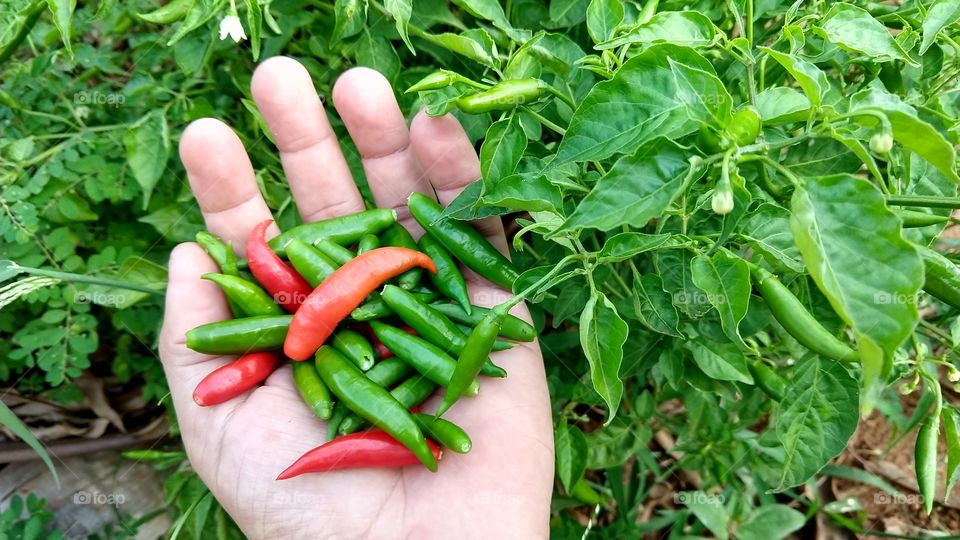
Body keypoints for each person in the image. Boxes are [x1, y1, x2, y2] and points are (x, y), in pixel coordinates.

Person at [158, 56, 554, 538]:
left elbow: (323, 332)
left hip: (356, 327)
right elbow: (312, 335)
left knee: (344, 321)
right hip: (344, 332)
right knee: (326, 327)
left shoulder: (377, 319)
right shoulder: (342, 332)